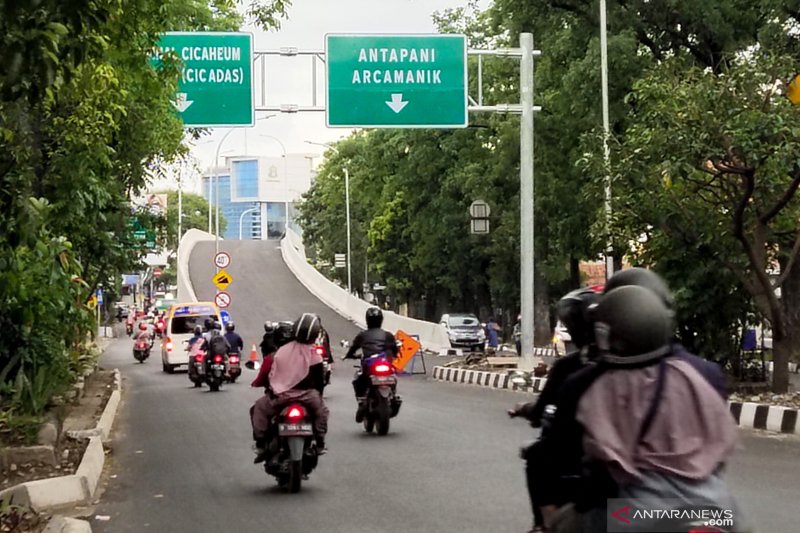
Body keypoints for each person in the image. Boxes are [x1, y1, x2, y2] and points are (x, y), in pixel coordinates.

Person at [571, 285, 744, 532]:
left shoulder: (610, 384)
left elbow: (601, 455)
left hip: (641, 513)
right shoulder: (691, 374)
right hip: (714, 507)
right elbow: (722, 443)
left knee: (572, 523)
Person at [508, 288, 599, 533]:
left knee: (537, 454)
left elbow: (543, 411)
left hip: (592, 462)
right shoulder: (677, 372)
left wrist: (525, 409)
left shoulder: (572, 370)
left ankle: (546, 524)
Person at [251, 313, 330, 463]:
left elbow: (269, 377)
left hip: (281, 396)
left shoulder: (279, 353)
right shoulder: (315, 354)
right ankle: (320, 443)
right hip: (309, 396)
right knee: (322, 412)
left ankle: (260, 444)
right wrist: (317, 397)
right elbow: (320, 383)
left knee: (259, 408)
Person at [343, 307, 398, 422]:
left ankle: (361, 400)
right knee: (393, 377)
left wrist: (348, 355)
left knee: (358, 379)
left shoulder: (363, 335)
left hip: (370, 366)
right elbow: (395, 350)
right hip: (385, 365)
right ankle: (393, 397)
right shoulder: (388, 335)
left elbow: (353, 348)